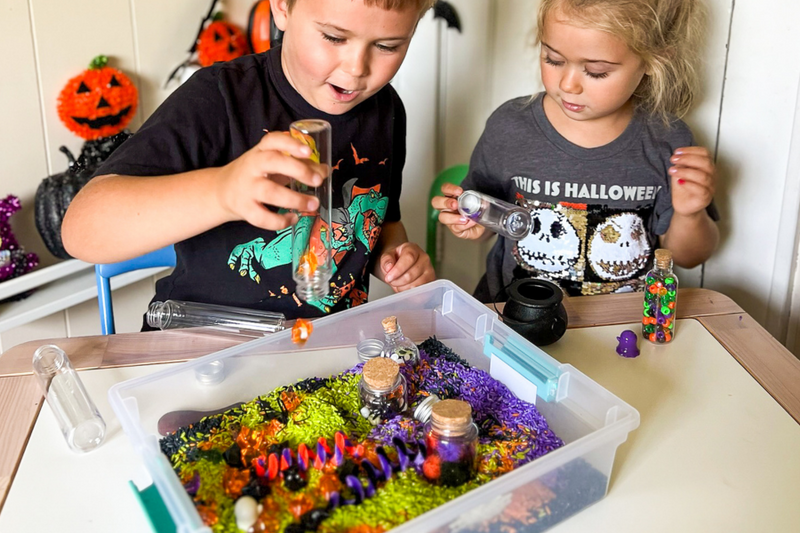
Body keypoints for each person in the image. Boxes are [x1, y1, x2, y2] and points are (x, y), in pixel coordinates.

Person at [62, 0, 436, 323]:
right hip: (206, 345)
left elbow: (383, 222)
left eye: (387, 45)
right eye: (334, 37)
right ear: (281, 8)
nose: (357, 68)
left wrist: (393, 257)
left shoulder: (386, 110)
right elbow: (81, 231)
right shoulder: (219, 97)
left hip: (324, 346)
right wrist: (222, 192)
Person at [431, 0, 719, 301]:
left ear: (653, 60)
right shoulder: (509, 127)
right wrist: (472, 221)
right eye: (553, 59)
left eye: (595, 72)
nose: (568, 84)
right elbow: (489, 219)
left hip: (619, 331)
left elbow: (687, 257)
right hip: (515, 323)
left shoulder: (667, 138)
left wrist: (690, 215)